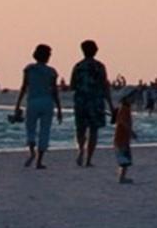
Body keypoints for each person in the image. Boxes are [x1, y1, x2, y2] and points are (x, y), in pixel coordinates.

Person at [13, 44, 62, 169]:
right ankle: (39, 161)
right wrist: (59, 108)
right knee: (45, 131)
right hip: (47, 102)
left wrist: (18, 104)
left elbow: (24, 87)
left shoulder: (29, 69)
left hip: (33, 102)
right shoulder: (52, 71)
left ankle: (32, 152)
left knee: (30, 129)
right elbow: (54, 91)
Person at [68, 39, 113, 167]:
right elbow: (105, 86)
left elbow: (72, 85)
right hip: (96, 102)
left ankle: (81, 149)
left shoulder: (78, 66)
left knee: (80, 129)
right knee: (93, 130)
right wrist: (110, 105)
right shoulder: (100, 66)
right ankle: (88, 159)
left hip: (81, 101)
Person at [113, 93, 136, 183]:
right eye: (131, 97)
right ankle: (121, 177)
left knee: (125, 159)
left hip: (124, 139)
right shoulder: (124, 109)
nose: (133, 99)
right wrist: (131, 131)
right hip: (121, 139)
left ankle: (122, 176)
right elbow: (122, 122)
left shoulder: (126, 109)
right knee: (124, 160)